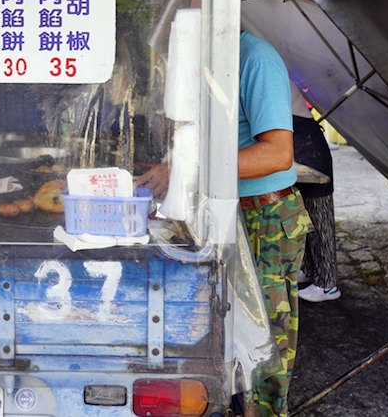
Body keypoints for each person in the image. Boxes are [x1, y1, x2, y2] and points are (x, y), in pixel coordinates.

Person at [137, 30, 311, 417]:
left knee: (265, 336)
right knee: (229, 326)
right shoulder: (212, 60)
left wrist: (188, 170)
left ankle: (266, 412)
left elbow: (278, 154)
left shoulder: (255, 59)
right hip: (230, 209)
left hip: (266, 217)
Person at [290, 82, 341, 303]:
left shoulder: (273, 75)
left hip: (311, 150)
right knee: (306, 219)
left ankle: (328, 284)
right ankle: (309, 270)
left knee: (321, 222)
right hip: (298, 149)